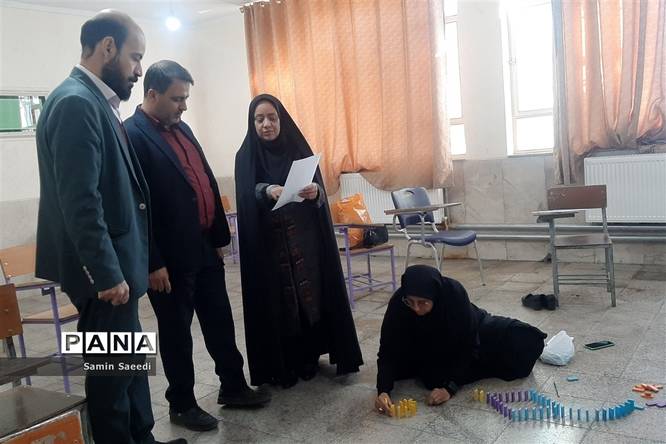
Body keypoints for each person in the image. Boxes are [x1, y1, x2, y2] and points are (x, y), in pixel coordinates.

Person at [35, 11, 185, 444]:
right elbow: (80, 201)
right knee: (111, 378)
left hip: (120, 267)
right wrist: (105, 272)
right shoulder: (75, 103)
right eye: (135, 57)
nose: (139, 69)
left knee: (130, 364)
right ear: (107, 48)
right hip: (105, 276)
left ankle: (143, 437)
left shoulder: (95, 101)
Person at [124, 60, 271, 432]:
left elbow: (204, 180)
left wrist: (218, 237)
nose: (184, 106)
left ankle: (233, 386)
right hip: (169, 260)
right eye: (177, 99)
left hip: (204, 246)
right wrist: (152, 261)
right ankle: (182, 404)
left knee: (220, 320)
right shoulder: (132, 135)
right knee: (177, 333)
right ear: (152, 94)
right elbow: (134, 205)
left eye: (186, 98)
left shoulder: (182, 128)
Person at [234, 94, 363, 388]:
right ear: (252, 123)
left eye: (272, 118)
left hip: (304, 243)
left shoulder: (298, 149)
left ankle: (310, 356)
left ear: (282, 120)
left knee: (310, 299)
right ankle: (283, 364)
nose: (266, 124)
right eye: (259, 119)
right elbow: (245, 195)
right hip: (269, 247)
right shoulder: (245, 157)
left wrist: (315, 192)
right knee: (279, 303)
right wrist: (266, 190)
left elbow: (319, 194)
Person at [374, 265, 547, 414]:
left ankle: (466, 370)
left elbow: (469, 344)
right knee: (431, 378)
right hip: (426, 346)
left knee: (525, 341)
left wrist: (450, 388)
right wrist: (383, 391)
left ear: (435, 296)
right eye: (411, 302)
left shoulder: (453, 294)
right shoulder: (399, 302)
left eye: (423, 302)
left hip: (473, 332)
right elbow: (387, 349)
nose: (416, 309)